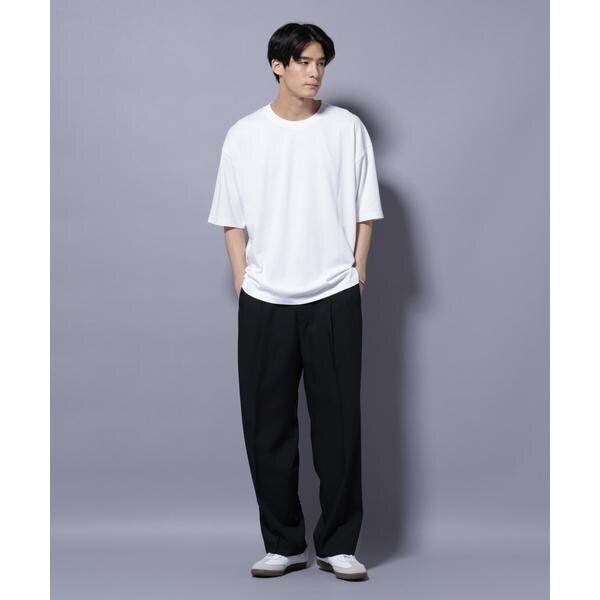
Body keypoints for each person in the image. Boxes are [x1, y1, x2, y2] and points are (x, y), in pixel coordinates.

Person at [207, 22, 384, 582]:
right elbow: (231, 219)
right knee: (267, 427)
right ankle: (282, 542)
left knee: (339, 427)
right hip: (265, 299)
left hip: (333, 295)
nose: (315, 72)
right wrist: (244, 281)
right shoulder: (244, 134)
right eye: (304, 61)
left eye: (321, 62)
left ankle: (339, 543)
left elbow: (365, 210)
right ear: (277, 66)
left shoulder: (346, 129)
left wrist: (357, 273)